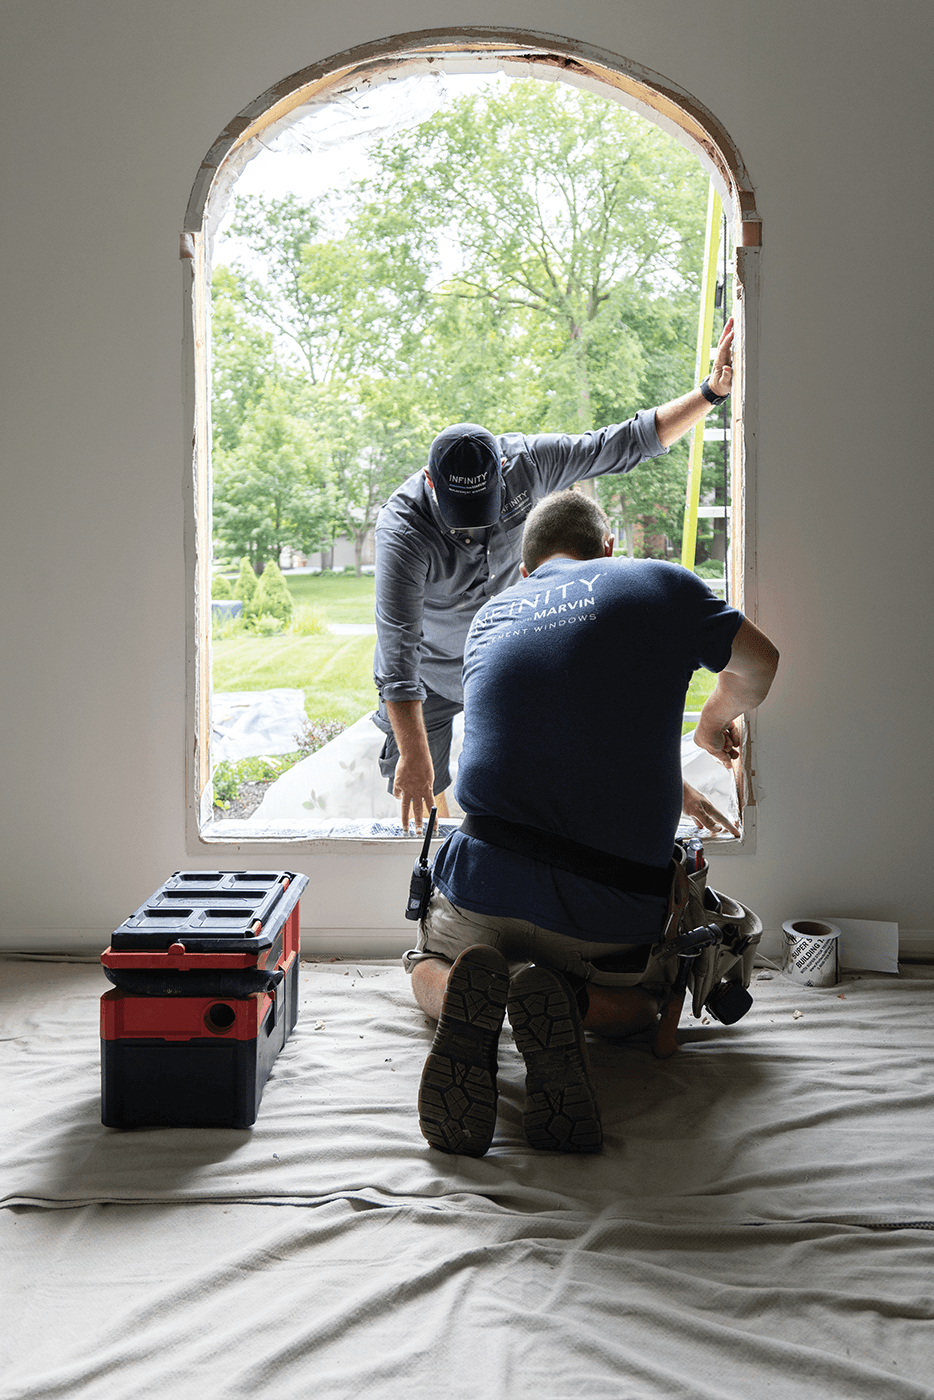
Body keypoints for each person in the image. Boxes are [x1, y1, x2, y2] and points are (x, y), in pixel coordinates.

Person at [406, 489, 779, 1157]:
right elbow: (760, 664)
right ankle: (568, 1003)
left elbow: (541, 736)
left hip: (482, 887)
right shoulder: (659, 581)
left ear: (525, 571)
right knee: (644, 1007)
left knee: (426, 960)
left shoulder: (491, 615)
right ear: (609, 548)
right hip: (605, 918)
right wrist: (712, 722)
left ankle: (462, 988)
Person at [373, 320, 737, 830]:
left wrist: (710, 392)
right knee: (417, 788)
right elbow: (397, 652)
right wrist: (414, 756)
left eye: (485, 505)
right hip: (429, 674)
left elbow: (622, 443)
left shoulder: (528, 462)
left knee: (558, 748)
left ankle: (648, 803)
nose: (476, 523)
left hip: (505, 651)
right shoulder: (402, 529)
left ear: (504, 469)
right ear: (430, 483)